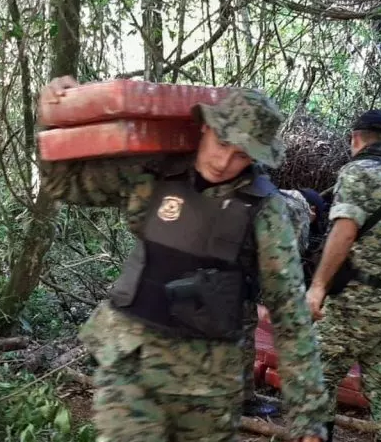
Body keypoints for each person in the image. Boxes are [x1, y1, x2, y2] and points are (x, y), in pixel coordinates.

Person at [38, 76, 328, 442]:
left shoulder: (266, 211)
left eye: (242, 155)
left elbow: (290, 314)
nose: (225, 161)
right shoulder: (154, 174)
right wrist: (50, 117)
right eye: (222, 143)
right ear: (206, 127)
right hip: (131, 363)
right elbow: (64, 185)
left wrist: (308, 418)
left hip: (208, 385)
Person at [305, 109, 381, 441]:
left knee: (316, 377)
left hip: (358, 301)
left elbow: (344, 232)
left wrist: (318, 287)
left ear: (356, 139)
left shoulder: (359, 171)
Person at [241, 188, 313, 417]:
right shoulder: (296, 211)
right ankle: (243, 399)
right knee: (243, 334)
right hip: (238, 279)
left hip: (215, 272)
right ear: (312, 211)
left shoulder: (265, 195)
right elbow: (282, 261)